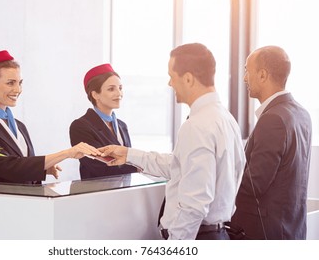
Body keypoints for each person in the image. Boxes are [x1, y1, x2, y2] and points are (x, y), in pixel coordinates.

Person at [99, 43, 245, 240]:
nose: (170, 84)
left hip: (197, 237)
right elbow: (181, 166)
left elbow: (194, 202)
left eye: (172, 76)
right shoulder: (226, 119)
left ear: (188, 79)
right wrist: (127, 154)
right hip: (215, 234)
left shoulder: (197, 126)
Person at [0, 50, 101, 185]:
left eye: (19, 83)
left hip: (27, 203)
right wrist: (67, 153)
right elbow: (5, 166)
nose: (18, 90)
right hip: (1, 204)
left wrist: (42, 169)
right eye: (10, 83)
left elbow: (22, 163)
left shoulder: (19, 125)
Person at [230, 46, 312, 239]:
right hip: (291, 230)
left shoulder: (273, 119)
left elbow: (253, 185)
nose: (244, 79)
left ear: (263, 75)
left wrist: (214, 179)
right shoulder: (302, 114)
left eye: (247, 71)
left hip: (264, 232)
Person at [69, 64, 137, 179]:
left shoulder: (122, 125)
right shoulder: (81, 126)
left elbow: (127, 158)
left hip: (125, 191)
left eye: (120, 88)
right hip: (97, 193)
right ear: (95, 94)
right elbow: (101, 167)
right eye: (111, 89)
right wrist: (140, 165)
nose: (119, 93)